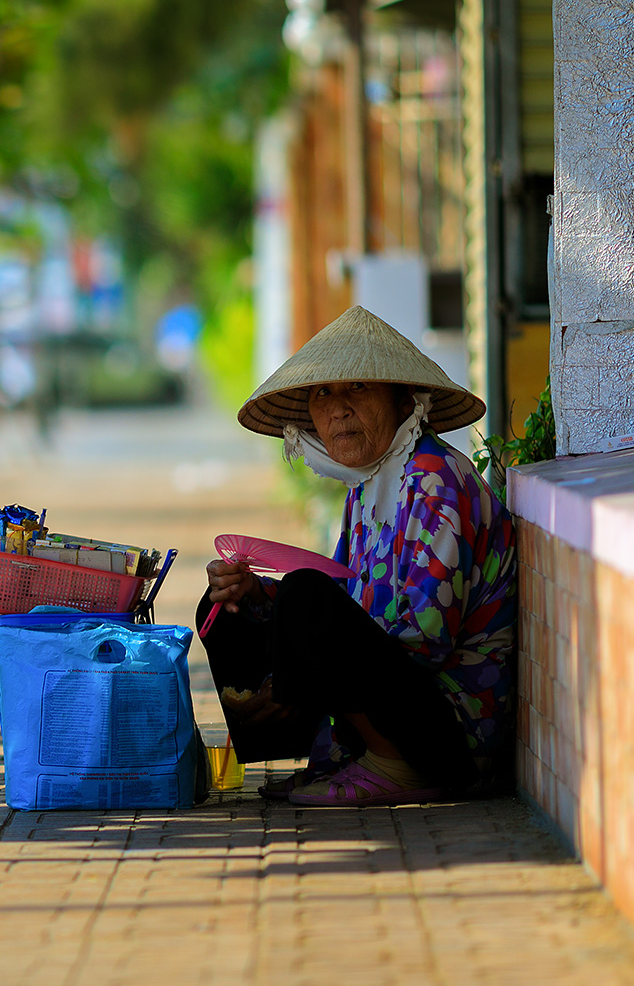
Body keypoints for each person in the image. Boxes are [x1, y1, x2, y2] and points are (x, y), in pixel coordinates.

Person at [198, 306, 516, 806]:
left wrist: (298, 682)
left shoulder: (436, 482)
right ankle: (352, 756)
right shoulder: (366, 487)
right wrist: (258, 593)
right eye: (323, 393)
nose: (338, 409)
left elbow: (426, 638)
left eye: (358, 389)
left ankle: (396, 768)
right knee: (230, 606)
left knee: (304, 595)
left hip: (453, 736)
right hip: (397, 707)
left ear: (404, 399)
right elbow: (347, 598)